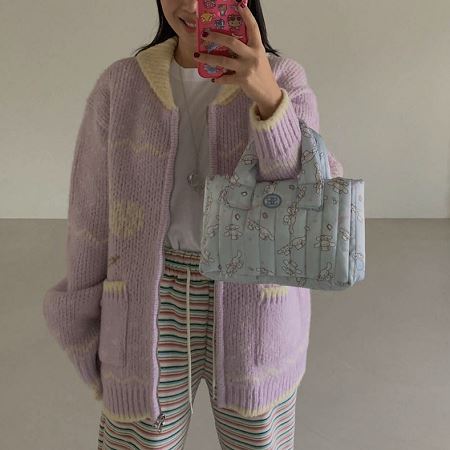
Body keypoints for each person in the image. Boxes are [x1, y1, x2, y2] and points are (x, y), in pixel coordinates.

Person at [42, 1, 344, 449]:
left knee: (257, 440)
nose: (191, 5)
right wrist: (81, 324)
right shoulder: (121, 85)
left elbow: (310, 196)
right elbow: (90, 216)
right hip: (147, 301)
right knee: (139, 439)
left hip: (254, 305)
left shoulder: (283, 78)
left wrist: (268, 100)